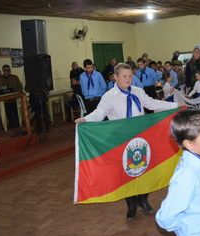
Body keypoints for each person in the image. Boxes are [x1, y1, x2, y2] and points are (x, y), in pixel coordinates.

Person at [75, 63, 185, 221]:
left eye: (130, 76)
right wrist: (85, 119)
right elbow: (99, 113)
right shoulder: (109, 96)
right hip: (122, 140)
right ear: (115, 77)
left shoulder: (138, 92)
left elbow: (153, 104)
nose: (127, 79)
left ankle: (143, 199)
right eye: (124, 76)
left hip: (141, 137)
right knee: (127, 172)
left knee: (144, 168)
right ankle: (131, 204)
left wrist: (175, 105)